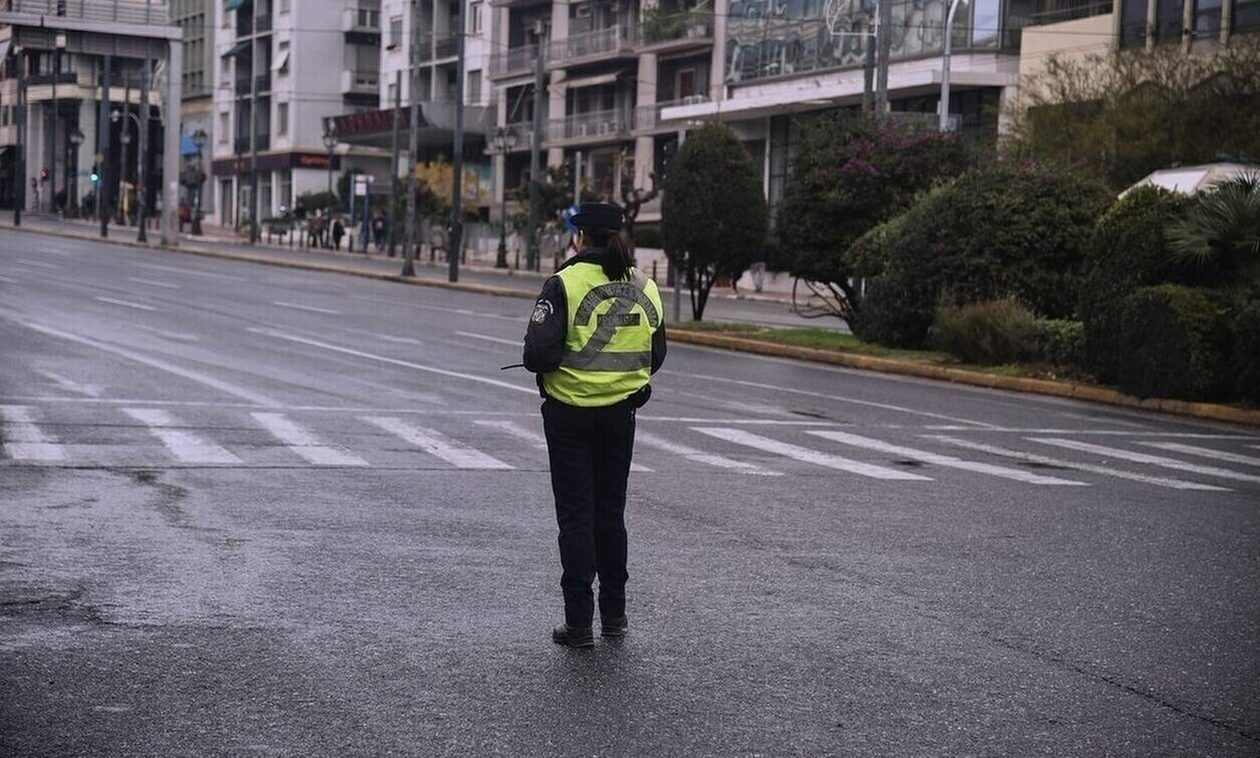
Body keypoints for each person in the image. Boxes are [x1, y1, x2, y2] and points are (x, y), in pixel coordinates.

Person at [522, 202, 667, 649]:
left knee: (576, 517)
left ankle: (579, 623)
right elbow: (655, 354)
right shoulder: (646, 286)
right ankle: (615, 617)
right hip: (620, 417)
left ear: (579, 236)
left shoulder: (564, 283)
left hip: (569, 416)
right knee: (610, 515)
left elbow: (537, 356)